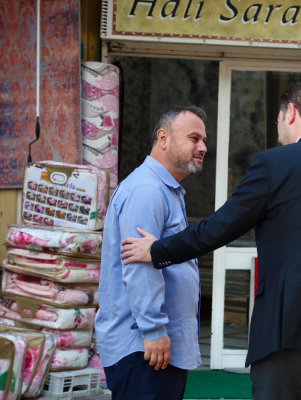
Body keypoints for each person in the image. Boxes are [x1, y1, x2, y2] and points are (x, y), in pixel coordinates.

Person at [122, 82, 301, 400]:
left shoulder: (273, 164)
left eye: (278, 119)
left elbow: (219, 228)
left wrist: (158, 250)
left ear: (291, 112)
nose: (278, 131)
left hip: (287, 335)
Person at [95, 106, 207, 400]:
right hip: (144, 348)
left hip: (154, 347)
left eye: (204, 140)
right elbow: (139, 266)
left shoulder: (165, 189)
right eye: (194, 138)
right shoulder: (147, 190)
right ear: (164, 138)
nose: (203, 147)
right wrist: (154, 330)